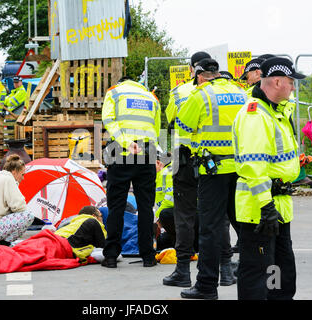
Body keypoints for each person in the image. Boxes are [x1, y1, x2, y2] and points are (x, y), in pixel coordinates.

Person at [175, 58, 247, 299]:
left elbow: (182, 125)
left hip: (212, 170)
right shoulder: (240, 92)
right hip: (241, 168)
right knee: (243, 222)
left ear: (198, 75)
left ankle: (206, 285)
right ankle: (250, 272)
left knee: (210, 229)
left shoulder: (201, 95)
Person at [232, 57, 303, 300]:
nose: (293, 87)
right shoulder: (256, 114)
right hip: (260, 209)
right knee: (257, 276)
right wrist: (266, 206)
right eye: (291, 81)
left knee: (281, 274)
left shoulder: (276, 112)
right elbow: (253, 167)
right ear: (276, 81)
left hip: (278, 207)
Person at [101, 77, 161, 268]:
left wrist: (126, 142)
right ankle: (148, 256)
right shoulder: (151, 97)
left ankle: (111, 256)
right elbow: (156, 129)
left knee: (116, 206)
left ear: (120, 83)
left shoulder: (114, 93)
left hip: (121, 153)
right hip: (147, 154)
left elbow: (108, 120)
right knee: (145, 207)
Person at [162, 51, 210, 288]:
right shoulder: (229, 92)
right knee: (215, 215)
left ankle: (183, 270)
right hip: (216, 160)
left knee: (184, 215)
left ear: (193, 69)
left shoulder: (180, 92)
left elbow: (171, 118)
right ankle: (223, 267)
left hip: (185, 158)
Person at [0, 206, 106, 275]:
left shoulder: (70, 221)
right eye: (100, 216)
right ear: (94, 215)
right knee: (21, 258)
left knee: (18, 252)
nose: (102, 220)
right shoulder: (94, 223)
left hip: (48, 239)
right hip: (59, 246)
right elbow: (107, 248)